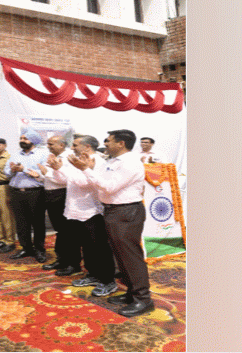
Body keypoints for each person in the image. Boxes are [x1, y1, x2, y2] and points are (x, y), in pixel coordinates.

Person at [69, 129, 154, 317]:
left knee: (131, 257)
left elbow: (108, 187)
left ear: (120, 143)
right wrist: (89, 168)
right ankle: (132, 293)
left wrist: (86, 170)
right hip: (114, 211)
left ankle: (144, 299)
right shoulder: (113, 161)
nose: (105, 144)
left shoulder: (130, 163)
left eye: (108, 141)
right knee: (121, 256)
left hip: (126, 211)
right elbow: (102, 184)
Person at [48, 135, 118, 296]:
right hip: (74, 210)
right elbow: (62, 180)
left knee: (100, 248)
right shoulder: (77, 160)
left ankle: (108, 281)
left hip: (92, 212)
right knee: (86, 247)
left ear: (87, 147)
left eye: (75, 145)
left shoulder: (98, 162)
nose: (71, 148)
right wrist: (56, 168)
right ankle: (93, 274)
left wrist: (71, 169)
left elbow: (84, 183)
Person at [3, 129, 49, 263]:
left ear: (33, 141)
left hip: (35, 193)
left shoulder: (43, 154)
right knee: (21, 223)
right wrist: (12, 170)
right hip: (16, 192)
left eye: (25, 138)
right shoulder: (15, 155)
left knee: (38, 223)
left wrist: (23, 169)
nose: (22, 140)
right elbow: (6, 172)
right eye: (21, 138)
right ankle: (26, 248)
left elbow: (45, 173)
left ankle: (40, 250)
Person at [36, 135, 78, 274]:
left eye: (51, 144)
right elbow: (51, 177)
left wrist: (46, 173)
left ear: (61, 145)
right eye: (48, 144)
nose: (48, 146)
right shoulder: (54, 157)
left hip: (62, 195)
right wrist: (42, 175)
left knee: (68, 231)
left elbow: (66, 180)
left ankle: (72, 263)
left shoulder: (68, 158)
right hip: (51, 195)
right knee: (60, 230)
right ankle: (62, 259)